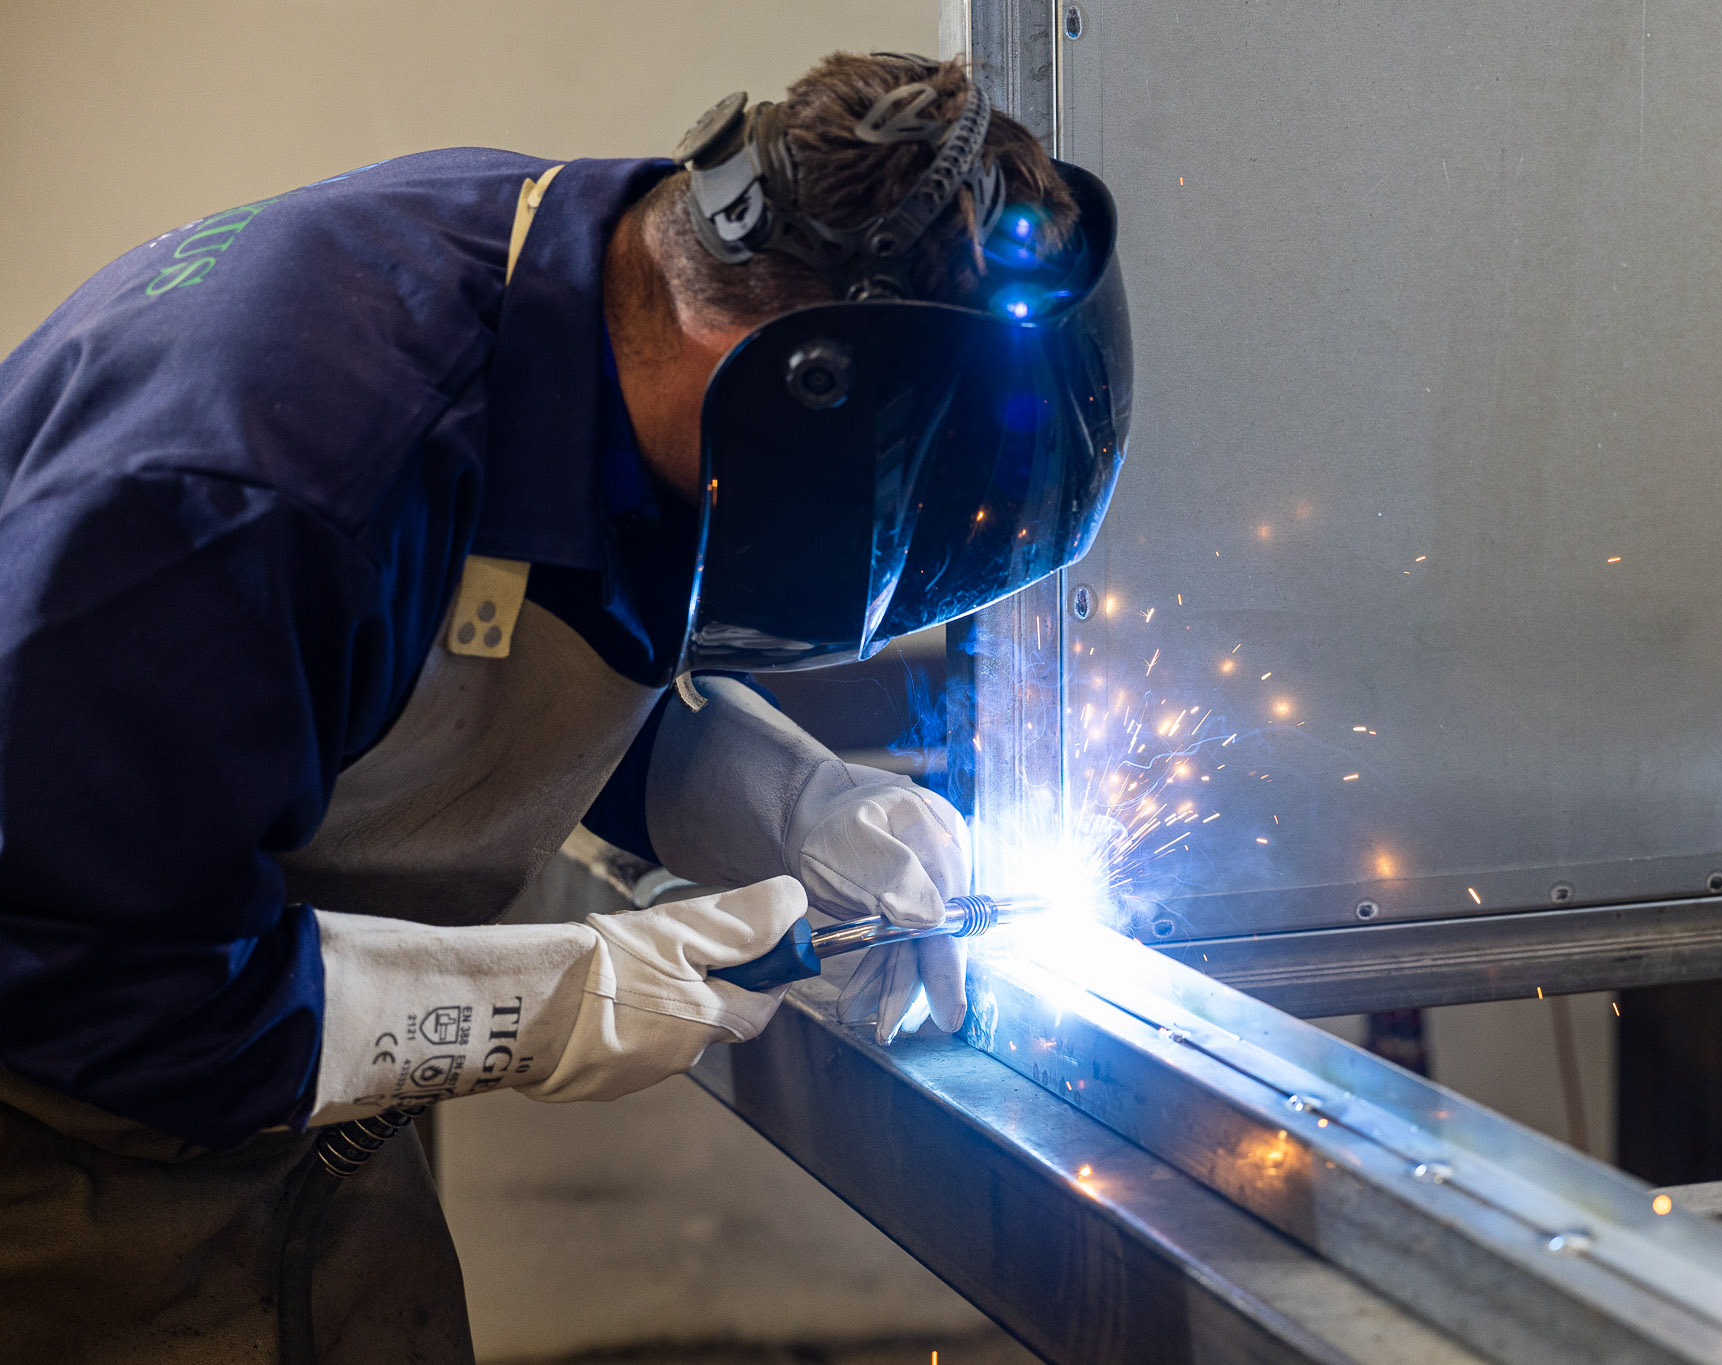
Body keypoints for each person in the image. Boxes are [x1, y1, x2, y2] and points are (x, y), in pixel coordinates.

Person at [0, 50, 1130, 1364]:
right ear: (810, 390)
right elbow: (79, 977)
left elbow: (471, 668)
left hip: (280, 1119)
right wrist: (547, 1000)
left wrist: (790, 804)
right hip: (58, 1155)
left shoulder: (595, 302)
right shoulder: (258, 498)